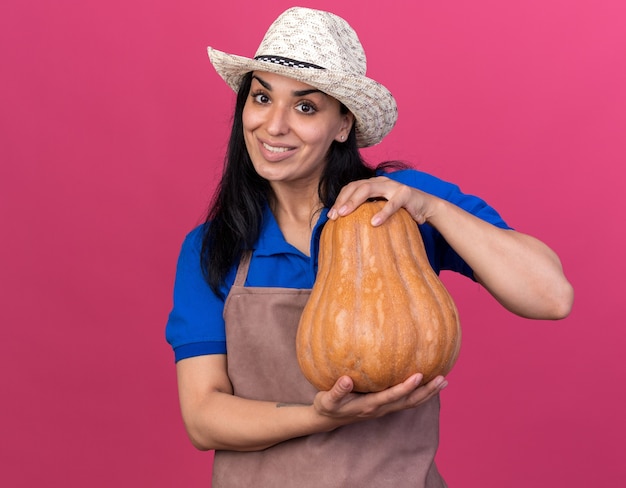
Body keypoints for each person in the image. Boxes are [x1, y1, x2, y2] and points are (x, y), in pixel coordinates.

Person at [165, 7, 573, 487]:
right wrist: (323, 415)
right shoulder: (213, 247)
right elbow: (204, 417)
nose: (274, 126)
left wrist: (433, 208)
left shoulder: (402, 205)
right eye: (261, 97)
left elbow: (551, 297)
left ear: (344, 126)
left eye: (305, 107)